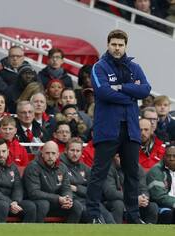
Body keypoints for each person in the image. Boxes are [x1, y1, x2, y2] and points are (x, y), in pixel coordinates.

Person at [85, 29, 151, 224]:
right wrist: (132, 95)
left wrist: (122, 87)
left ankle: (133, 216)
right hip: (108, 128)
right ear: (108, 44)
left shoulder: (134, 67)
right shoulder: (99, 67)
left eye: (120, 45)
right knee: (99, 173)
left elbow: (146, 89)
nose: (117, 48)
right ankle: (94, 215)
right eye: (114, 44)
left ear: (125, 46)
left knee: (132, 174)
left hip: (131, 128)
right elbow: (104, 93)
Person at [23, 141, 83, 223]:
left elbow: (66, 187)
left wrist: (68, 198)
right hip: (36, 201)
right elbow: (34, 193)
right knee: (44, 204)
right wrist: (58, 198)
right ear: (42, 153)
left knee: (76, 206)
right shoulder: (33, 167)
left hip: (56, 201)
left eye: (53, 153)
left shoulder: (62, 167)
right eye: (47, 153)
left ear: (58, 154)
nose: (50, 156)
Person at [0, 138, 37, 222]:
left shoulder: (13, 166)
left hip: (12, 201)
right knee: (3, 205)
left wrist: (15, 201)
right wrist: (10, 203)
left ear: (8, 151)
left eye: (3, 151)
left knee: (30, 206)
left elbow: (18, 187)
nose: (1, 155)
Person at [103, 154, 158, 223]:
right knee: (118, 204)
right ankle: (116, 231)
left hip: (135, 201)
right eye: (118, 156)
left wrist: (144, 198)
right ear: (112, 157)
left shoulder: (136, 167)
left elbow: (143, 188)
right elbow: (110, 192)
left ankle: (148, 232)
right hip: (114, 201)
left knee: (153, 206)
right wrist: (132, 199)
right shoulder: (108, 168)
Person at [146, 143, 175, 224]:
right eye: (168, 156)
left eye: (174, 156)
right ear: (163, 156)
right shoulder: (156, 171)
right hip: (161, 206)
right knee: (169, 214)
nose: (171, 159)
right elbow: (158, 196)